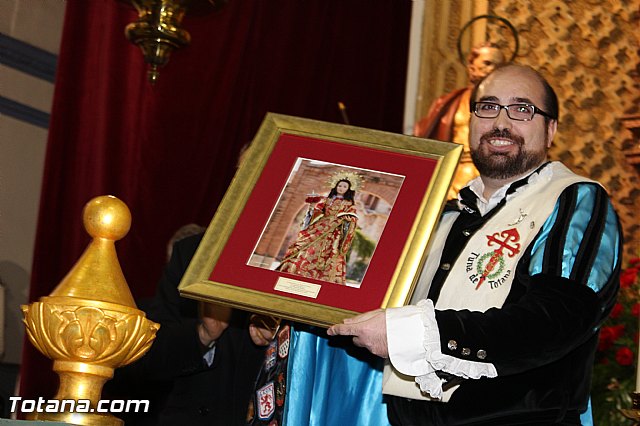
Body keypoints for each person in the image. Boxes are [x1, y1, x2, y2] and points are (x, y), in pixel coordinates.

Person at [328, 64, 622, 425]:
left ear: (550, 130)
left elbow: (557, 320)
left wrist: (416, 332)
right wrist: (280, 310)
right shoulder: (440, 217)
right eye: (488, 106)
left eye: (522, 108)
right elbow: (368, 305)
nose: (501, 121)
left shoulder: (574, 200)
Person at [414, 43, 506, 198]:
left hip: (493, 176)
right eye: (487, 63)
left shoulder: (508, 106)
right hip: (456, 174)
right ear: (471, 66)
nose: (492, 69)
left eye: (498, 65)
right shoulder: (450, 103)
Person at [277, 177, 358, 285]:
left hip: (335, 232)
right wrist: (312, 207)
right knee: (307, 247)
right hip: (319, 227)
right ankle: (300, 272)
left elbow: (353, 218)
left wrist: (346, 219)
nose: (341, 188)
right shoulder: (327, 199)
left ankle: (322, 279)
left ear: (348, 189)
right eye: (339, 185)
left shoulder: (349, 204)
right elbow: (317, 211)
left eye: (344, 186)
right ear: (335, 186)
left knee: (331, 253)